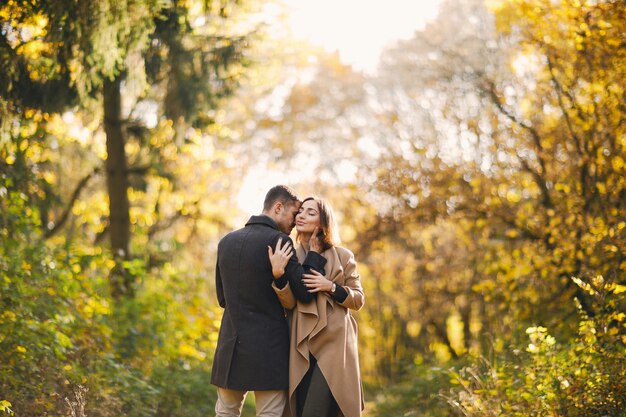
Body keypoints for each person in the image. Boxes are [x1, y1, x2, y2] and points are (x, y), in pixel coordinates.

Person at [211, 185, 327, 417]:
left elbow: (223, 299)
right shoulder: (280, 241)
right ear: (278, 207)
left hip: (230, 346)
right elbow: (305, 294)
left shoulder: (226, 242)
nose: (296, 221)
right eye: (295, 214)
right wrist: (314, 255)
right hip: (269, 350)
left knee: (225, 412)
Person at [270, 197, 365, 417]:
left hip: (334, 343)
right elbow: (290, 302)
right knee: (300, 407)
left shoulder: (343, 256)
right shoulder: (288, 254)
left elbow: (358, 299)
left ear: (322, 223)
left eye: (310, 213)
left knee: (316, 410)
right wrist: (279, 279)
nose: (301, 215)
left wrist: (331, 287)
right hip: (300, 341)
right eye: (301, 211)